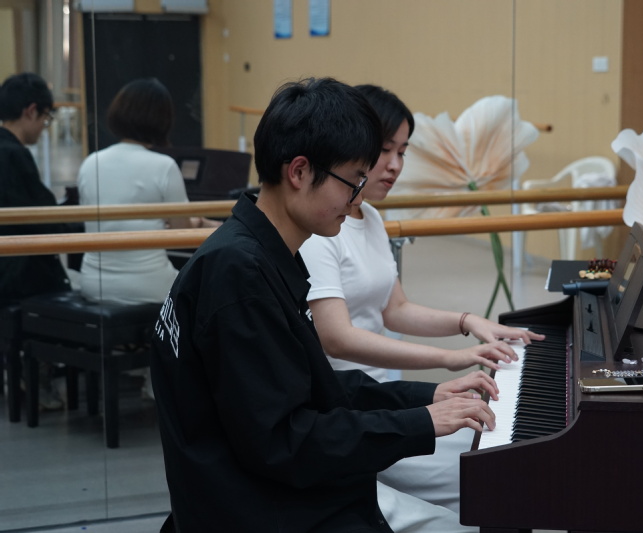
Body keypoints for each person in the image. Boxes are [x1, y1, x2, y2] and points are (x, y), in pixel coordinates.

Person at [149, 77, 499, 533]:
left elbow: (312, 386)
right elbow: (285, 442)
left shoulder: (255, 251)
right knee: (467, 510)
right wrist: (419, 423)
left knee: (481, 478)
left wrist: (425, 396)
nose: (357, 199)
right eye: (353, 181)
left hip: (273, 486)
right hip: (260, 506)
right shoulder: (239, 273)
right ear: (298, 172)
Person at [299, 84, 542, 514]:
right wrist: (450, 358)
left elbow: (396, 309)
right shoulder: (322, 230)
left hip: (389, 395)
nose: (395, 165)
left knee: (494, 444)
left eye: (403, 151)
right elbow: (337, 338)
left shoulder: (370, 217)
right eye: (385, 150)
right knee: (490, 467)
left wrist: (468, 322)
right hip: (352, 410)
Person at [77, 78, 220, 400]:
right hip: (144, 285)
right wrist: (200, 222)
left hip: (93, 281)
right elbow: (185, 235)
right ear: (162, 119)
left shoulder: (91, 161)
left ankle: (149, 370)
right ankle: (171, 380)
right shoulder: (163, 165)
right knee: (205, 294)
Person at [0, 72, 78, 410]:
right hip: (14, 274)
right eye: (45, 119)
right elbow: (39, 215)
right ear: (31, 111)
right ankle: (40, 378)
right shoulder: (13, 154)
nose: (44, 128)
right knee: (65, 282)